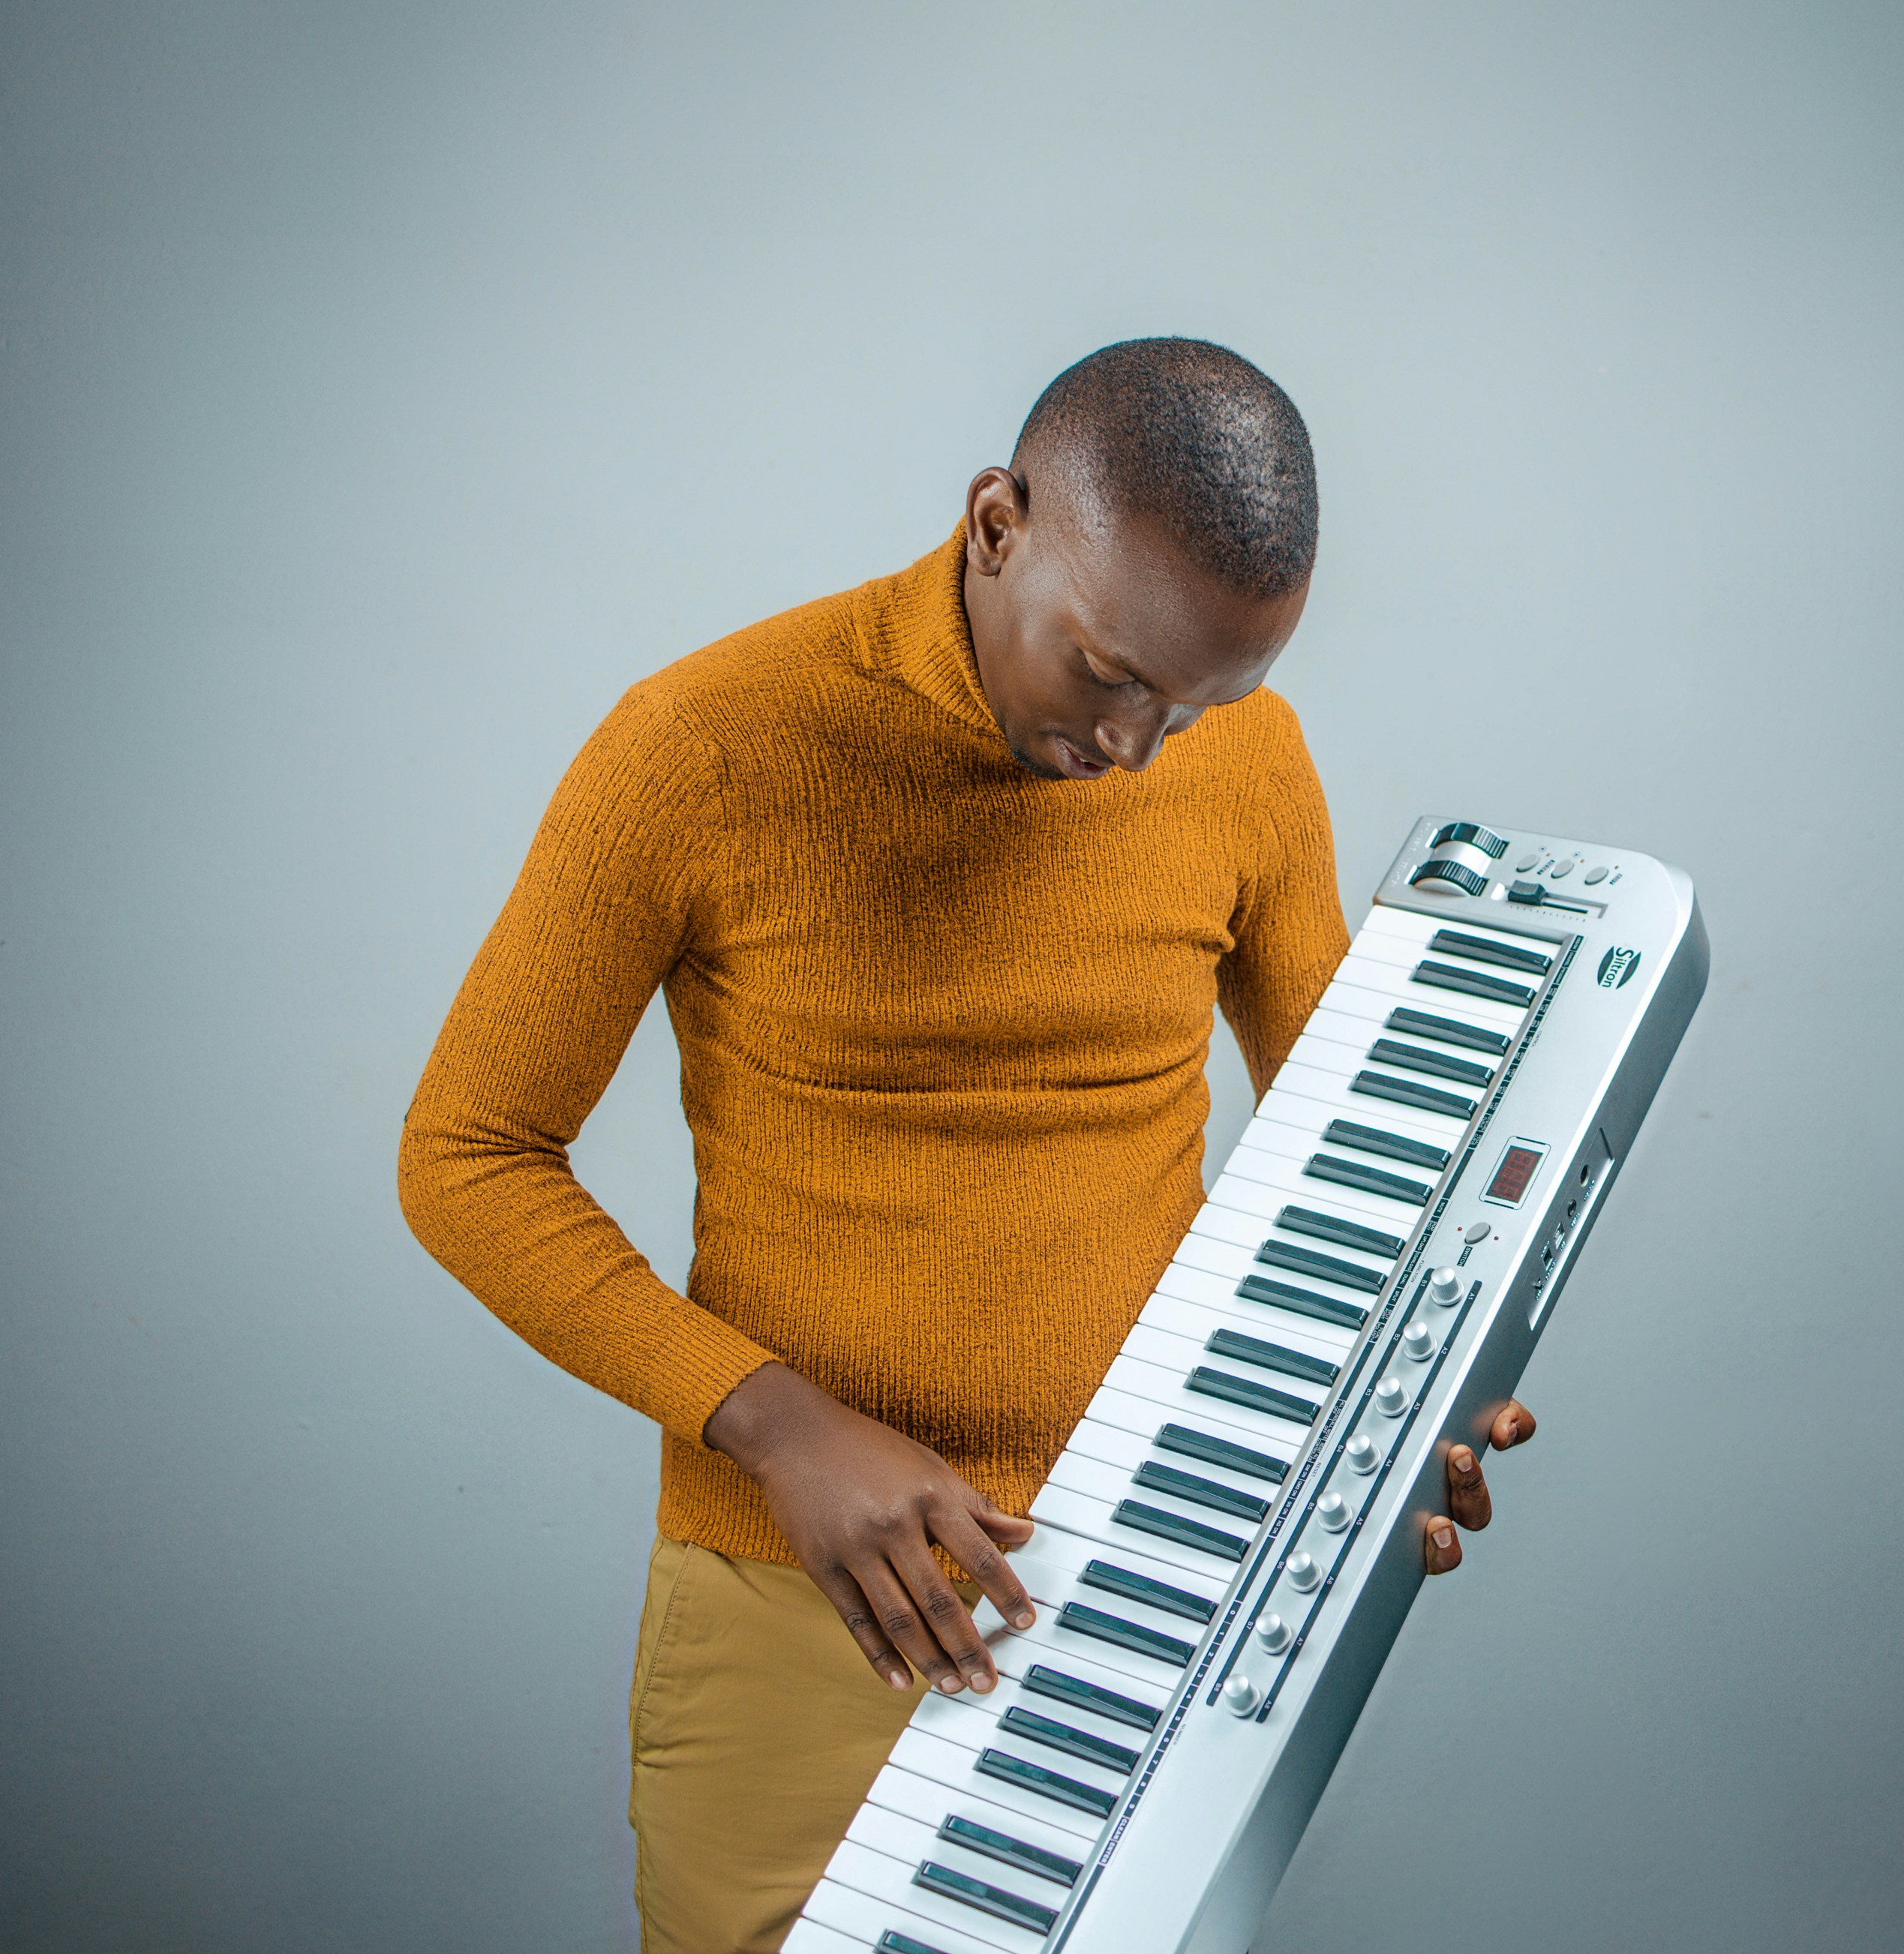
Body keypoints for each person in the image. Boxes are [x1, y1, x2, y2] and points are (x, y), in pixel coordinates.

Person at [398, 338, 1537, 1954]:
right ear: (996, 523)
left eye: (1207, 698)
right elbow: (468, 1152)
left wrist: (1388, 1419)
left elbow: (1341, 1167)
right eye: (1108, 673)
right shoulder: (705, 746)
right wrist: (781, 1430)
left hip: (1158, 1576)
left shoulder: (1246, 764)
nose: (1141, 746)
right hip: (799, 1603)